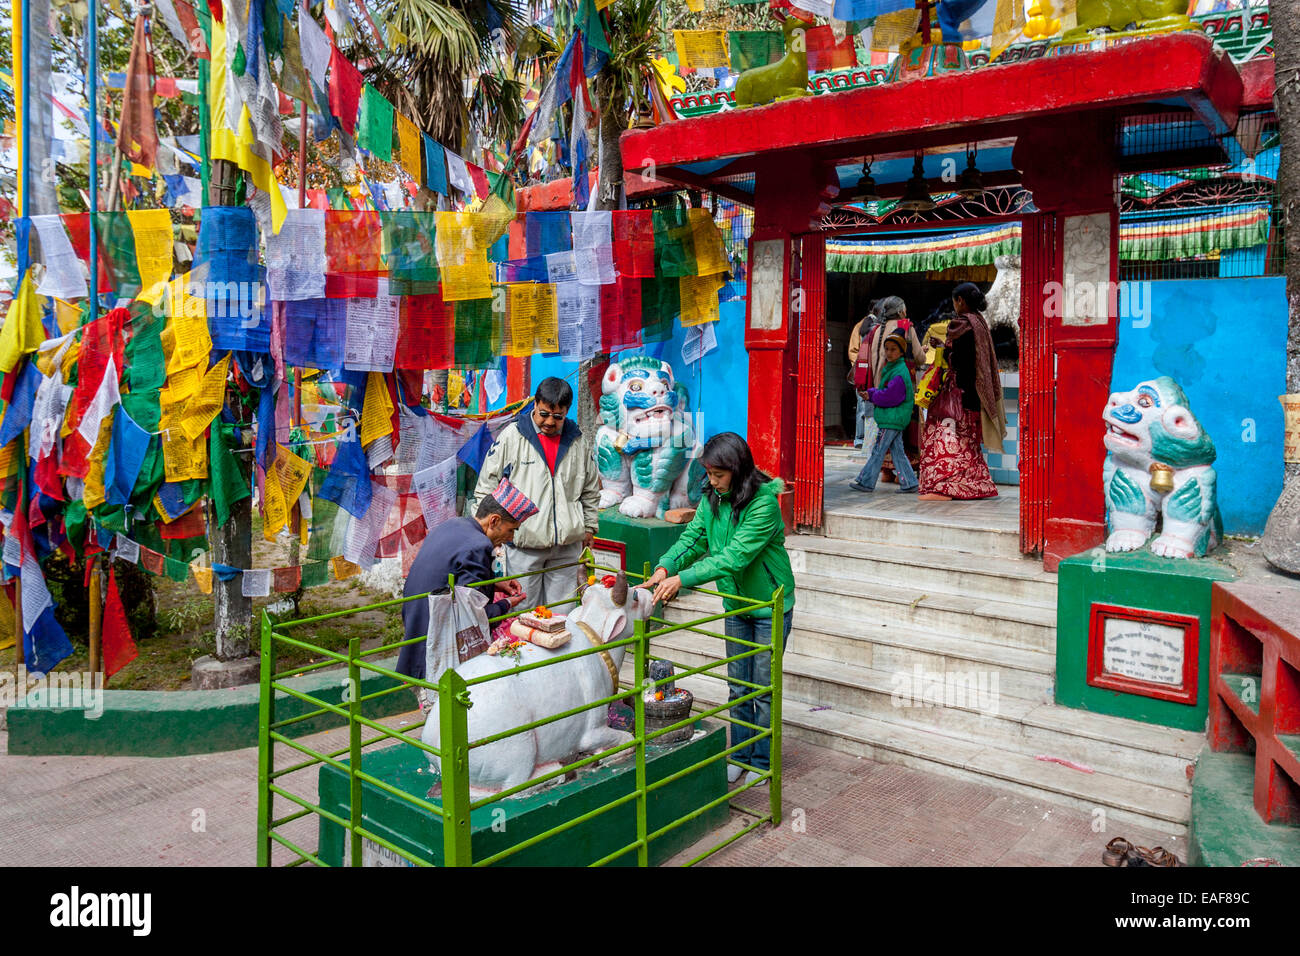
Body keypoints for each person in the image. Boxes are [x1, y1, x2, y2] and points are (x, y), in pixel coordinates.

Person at [639, 433, 796, 787]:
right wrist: (666, 567)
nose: (712, 481)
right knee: (739, 686)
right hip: (736, 604)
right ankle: (740, 755)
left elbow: (734, 557)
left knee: (763, 688)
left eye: (718, 474)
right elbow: (694, 539)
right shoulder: (713, 499)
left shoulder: (763, 504)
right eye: (708, 474)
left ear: (737, 470)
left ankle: (761, 760)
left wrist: (684, 579)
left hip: (769, 605)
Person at [470, 376, 602, 611]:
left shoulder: (578, 441)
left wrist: (590, 527)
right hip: (522, 545)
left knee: (564, 615)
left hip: (567, 547)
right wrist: (488, 535)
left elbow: (590, 489)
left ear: (566, 411)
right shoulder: (512, 435)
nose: (549, 422)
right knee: (523, 614)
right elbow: (486, 486)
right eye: (544, 414)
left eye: (557, 416)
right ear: (535, 405)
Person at [396, 478, 535, 684]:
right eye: (511, 529)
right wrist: (506, 604)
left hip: (416, 631)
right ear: (494, 521)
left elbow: (452, 576)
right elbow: (473, 617)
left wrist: (496, 583)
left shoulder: (454, 525)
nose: (511, 538)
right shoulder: (479, 546)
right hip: (439, 647)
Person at [918, 282, 1008, 501]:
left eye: (954, 301)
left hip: (957, 395)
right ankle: (977, 486)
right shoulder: (980, 324)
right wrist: (946, 346)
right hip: (975, 397)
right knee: (968, 443)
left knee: (944, 440)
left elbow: (960, 361)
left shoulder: (960, 324)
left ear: (960, 301)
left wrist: (946, 352)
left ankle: (946, 488)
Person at [856, 296, 925, 482]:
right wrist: (924, 352)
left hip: (880, 388)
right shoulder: (906, 326)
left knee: (886, 433)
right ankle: (904, 475)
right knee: (902, 431)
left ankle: (886, 471)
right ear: (901, 311)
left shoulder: (876, 329)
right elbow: (919, 358)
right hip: (900, 387)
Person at [849, 327, 919, 494]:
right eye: (887, 349)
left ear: (901, 352)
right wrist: (872, 393)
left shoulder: (898, 372)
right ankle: (909, 482)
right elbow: (889, 394)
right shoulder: (896, 368)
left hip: (892, 418)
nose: (888, 352)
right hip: (894, 418)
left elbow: (890, 397)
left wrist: (872, 395)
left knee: (878, 450)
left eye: (893, 349)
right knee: (897, 452)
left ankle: (866, 481)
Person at [847, 300, 880, 450]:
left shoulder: (867, 326)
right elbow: (854, 351)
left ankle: (864, 439)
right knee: (864, 406)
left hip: (866, 373)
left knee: (863, 407)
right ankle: (860, 439)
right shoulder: (863, 326)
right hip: (867, 374)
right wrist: (863, 368)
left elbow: (852, 351)